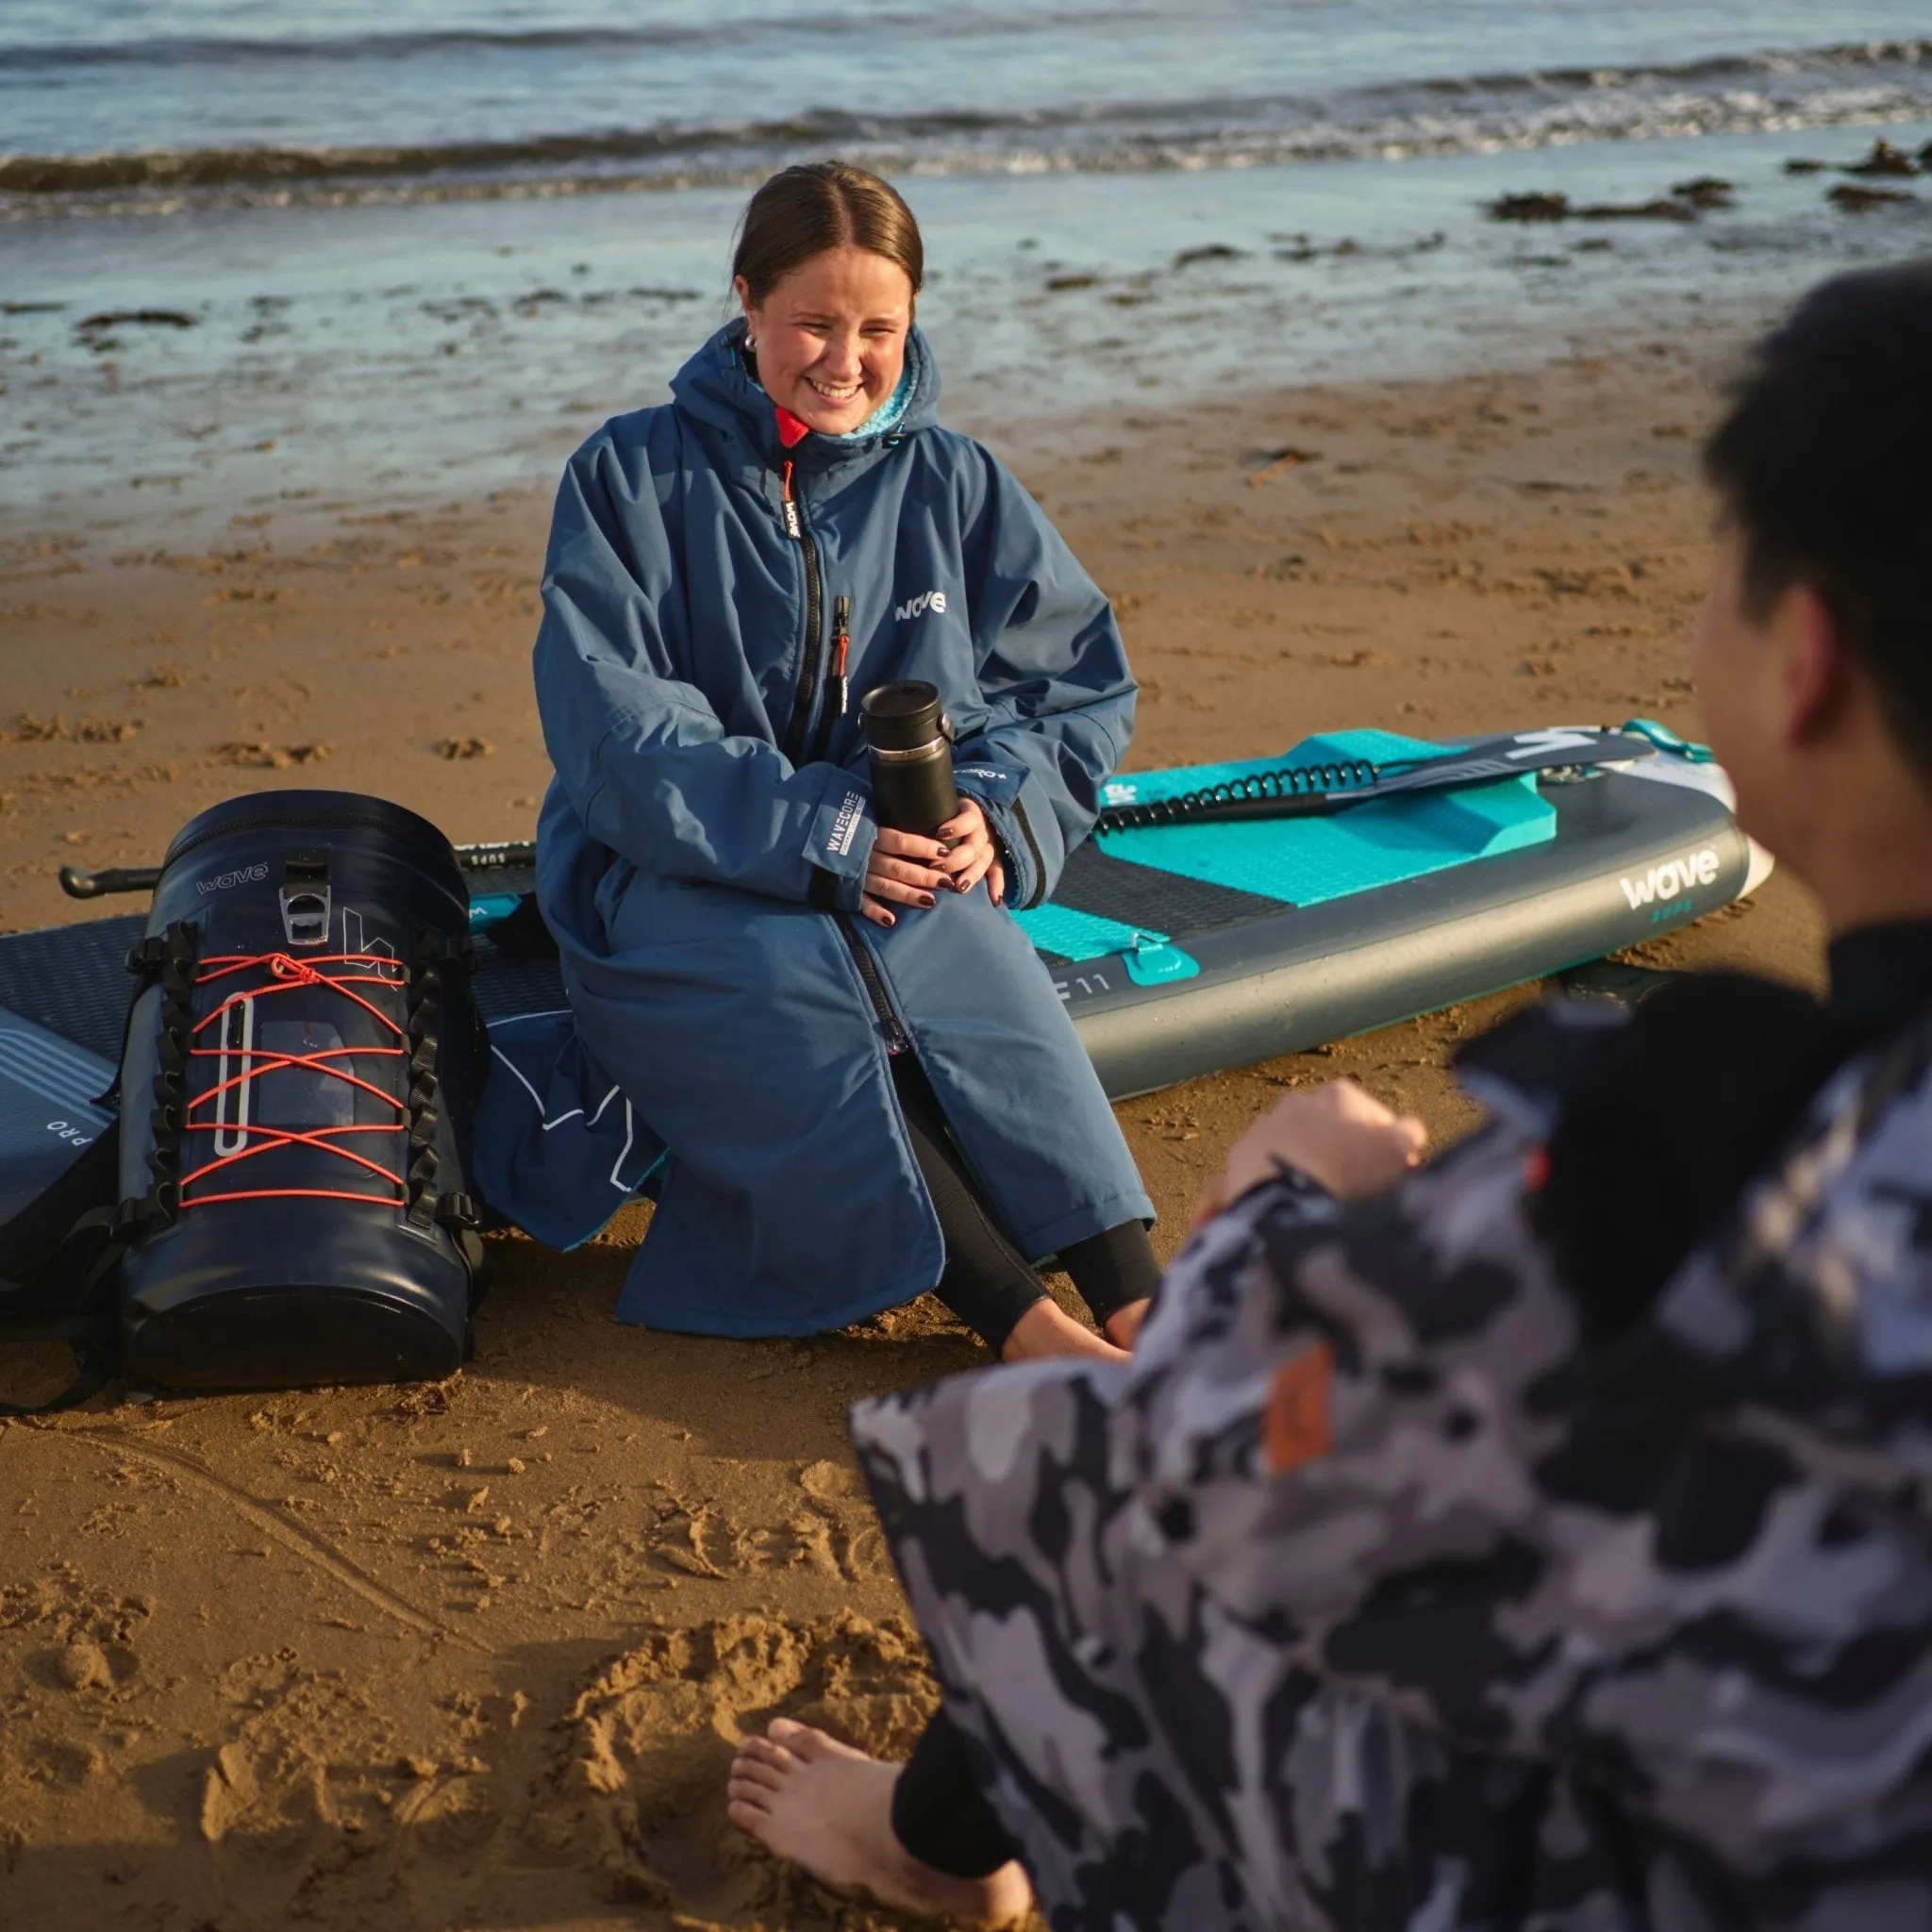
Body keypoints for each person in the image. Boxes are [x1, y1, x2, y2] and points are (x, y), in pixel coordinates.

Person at [726, 260, 1932, 1928]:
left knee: (1149, 1473)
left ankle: (929, 1844)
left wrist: (1282, 1210)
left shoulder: (1705, 1161)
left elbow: (1218, 1443)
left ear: (1797, 664)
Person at [475, 161, 1159, 1361]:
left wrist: (1002, 815)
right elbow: (617, 735)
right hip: (666, 868)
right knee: (801, 999)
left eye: (878, 328)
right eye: (813, 322)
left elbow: (1077, 685)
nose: (844, 359)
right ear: (746, 301)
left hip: (894, 849)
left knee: (976, 966)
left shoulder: (956, 481)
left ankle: (1142, 1297)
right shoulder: (628, 474)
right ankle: (1026, 1325)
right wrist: (818, 834)